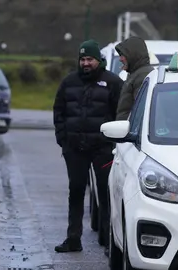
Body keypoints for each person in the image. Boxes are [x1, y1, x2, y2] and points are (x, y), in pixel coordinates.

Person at [53, 40, 124, 254]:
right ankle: (73, 238)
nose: (85, 63)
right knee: (76, 191)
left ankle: (107, 239)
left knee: (105, 192)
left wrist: (113, 143)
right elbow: (59, 111)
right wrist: (63, 140)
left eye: (89, 59)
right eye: (82, 59)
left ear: (98, 61)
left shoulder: (112, 82)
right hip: (75, 149)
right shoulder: (68, 82)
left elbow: (121, 114)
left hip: (103, 149)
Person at [115, 36, 154, 120]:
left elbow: (141, 113)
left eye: (123, 55)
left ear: (133, 55)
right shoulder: (135, 74)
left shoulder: (142, 76)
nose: (120, 59)